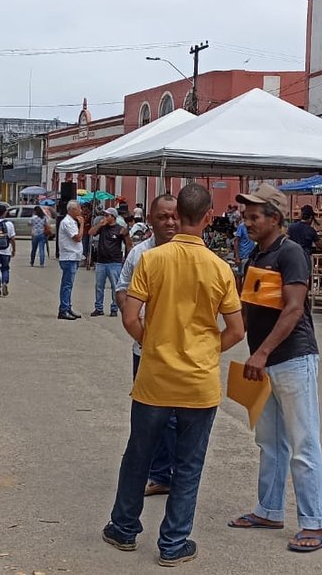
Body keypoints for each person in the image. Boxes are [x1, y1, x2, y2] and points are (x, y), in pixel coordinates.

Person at [103, 183, 245, 567]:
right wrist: (205, 350)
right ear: (209, 217)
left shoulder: (152, 260)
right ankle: (174, 542)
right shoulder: (220, 268)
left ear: (177, 215)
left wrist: (152, 344)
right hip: (199, 382)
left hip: (154, 377)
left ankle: (123, 528)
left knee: (138, 455)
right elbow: (236, 329)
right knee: (189, 463)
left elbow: (130, 317)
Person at [233, 183, 322, 553]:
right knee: (270, 442)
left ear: (275, 218)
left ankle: (315, 523)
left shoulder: (291, 255)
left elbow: (293, 309)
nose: (247, 222)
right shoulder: (256, 256)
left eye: (254, 216)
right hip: (265, 361)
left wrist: (262, 353)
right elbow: (248, 309)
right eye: (246, 215)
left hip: (292, 358)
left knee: (303, 443)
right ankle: (269, 509)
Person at [115, 194, 179, 497]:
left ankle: (172, 474)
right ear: (150, 220)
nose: (169, 222)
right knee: (150, 418)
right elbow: (122, 291)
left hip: (182, 353)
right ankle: (159, 473)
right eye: (163, 216)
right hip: (146, 351)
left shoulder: (189, 254)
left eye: (174, 216)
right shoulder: (139, 254)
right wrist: (143, 336)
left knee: (179, 416)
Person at [90, 206, 131, 316]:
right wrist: (99, 224)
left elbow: (128, 245)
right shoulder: (102, 228)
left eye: (107, 215)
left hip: (114, 262)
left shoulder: (119, 229)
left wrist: (126, 235)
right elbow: (91, 232)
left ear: (113, 217)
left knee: (115, 287)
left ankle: (114, 308)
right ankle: (99, 308)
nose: (105, 217)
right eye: (104, 215)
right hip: (101, 261)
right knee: (99, 286)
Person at [57, 201, 84, 320]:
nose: (81, 211)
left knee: (69, 284)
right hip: (69, 257)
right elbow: (77, 237)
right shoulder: (67, 222)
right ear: (72, 210)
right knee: (67, 285)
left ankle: (67, 307)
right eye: (79, 209)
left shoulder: (72, 222)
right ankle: (63, 309)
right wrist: (82, 224)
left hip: (74, 256)